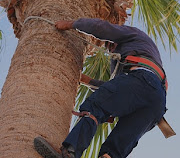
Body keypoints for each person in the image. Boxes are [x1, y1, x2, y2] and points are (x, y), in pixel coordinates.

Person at [34, 18, 167, 158]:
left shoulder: (132, 35)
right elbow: (121, 90)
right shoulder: (146, 53)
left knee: (95, 107)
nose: (109, 49)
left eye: (110, 45)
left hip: (142, 80)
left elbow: (101, 27)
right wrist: (87, 80)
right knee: (115, 148)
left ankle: (70, 153)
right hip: (157, 104)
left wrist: (69, 24)